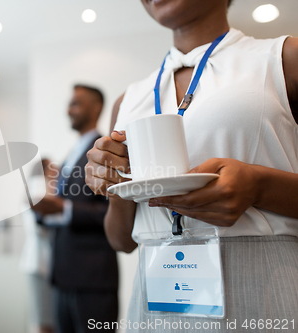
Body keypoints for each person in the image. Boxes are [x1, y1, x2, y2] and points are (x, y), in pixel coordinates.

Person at [85, 0, 298, 332]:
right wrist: (114, 185)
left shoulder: (284, 58)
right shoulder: (127, 101)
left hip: (264, 286)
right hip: (155, 300)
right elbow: (122, 241)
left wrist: (259, 185)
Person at [33, 85, 118, 333]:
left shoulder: (105, 152)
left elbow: (111, 213)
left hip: (93, 278)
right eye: (70, 103)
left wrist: (65, 208)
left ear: (97, 107)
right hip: (62, 275)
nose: (69, 110)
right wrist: (42, 212)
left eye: (76, 103)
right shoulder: (72, 153)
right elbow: (61, 205)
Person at [20, 158, 57, 333]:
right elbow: (39, 226)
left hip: (45, 263)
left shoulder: (43, 189)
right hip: (38, 263)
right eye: (52, 169)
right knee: (44, 319)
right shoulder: (39, 189)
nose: (56, 172)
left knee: (48, 317)